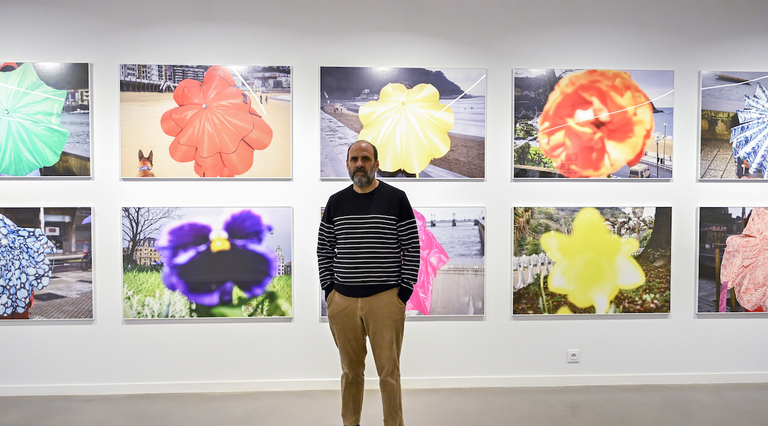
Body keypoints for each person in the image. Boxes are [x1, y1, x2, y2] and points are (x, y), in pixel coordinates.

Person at [318, 140, 420, 426]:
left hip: (386, 300)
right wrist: (329, 290)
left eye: (365, 158)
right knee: (350, 372)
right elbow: (324, 248)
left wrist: (404, 292)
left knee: (389, 373)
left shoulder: (396, 198)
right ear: (348, 164)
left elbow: (411, 246)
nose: (359, 164)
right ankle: (350, 423)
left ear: (376, 164)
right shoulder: (336, 202)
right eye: (354, 159)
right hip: (344, 302)